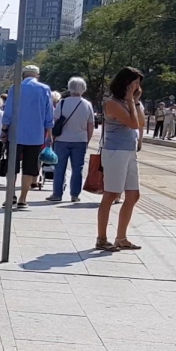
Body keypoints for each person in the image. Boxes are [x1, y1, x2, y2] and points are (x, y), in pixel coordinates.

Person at [96, 67, 145, 251]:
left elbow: (140, 123)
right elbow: (132, 123)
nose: (138, 86)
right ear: (126, 83)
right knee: (111, 194)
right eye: (135, 83)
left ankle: (121, 237)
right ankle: (101, 238)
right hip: (115, 151)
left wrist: (136, 101)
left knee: (133, 194)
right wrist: (131, 100)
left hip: (129, 151)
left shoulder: (131, 102)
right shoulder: (112, 103)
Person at [0, 65, 55, 210]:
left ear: (23, 75)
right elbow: (48, 113)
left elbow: (9, 110)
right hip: (36, 135)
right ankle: (23, 198)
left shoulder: (15, 88)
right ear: (37, 75)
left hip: (15, 134)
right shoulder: (44, 89)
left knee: (12, 166)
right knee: (29, 167)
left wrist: (4, 129)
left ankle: (10, 196)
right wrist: (49, 134)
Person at [47, 76, 95, 203]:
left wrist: (51, 137)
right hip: (80, 140)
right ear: (83, 89)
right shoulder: (87, 104)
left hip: (61, 140)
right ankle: (74, 194)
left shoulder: (62, 103)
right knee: (77, 169)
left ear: (69, 88)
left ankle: (57, 194)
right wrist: (87, 140)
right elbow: (90, 126)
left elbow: (55, 122)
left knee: (59, 168)